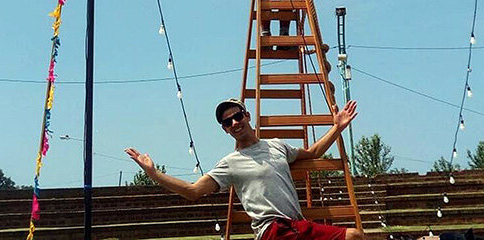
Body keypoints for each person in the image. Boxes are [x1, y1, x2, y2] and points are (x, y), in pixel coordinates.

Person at [125, 98, 365, 240]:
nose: (234, 123)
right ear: (225, 130)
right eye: (227, 122)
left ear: (247, 115)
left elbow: (312, 153)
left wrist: (338, 127)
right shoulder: (230, 162)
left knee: (354, 236)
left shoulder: (277, 146)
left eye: (237, 116)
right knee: (353, 236)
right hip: (273, 230)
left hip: (296, 226)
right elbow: (193, 191)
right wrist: (154, 173)